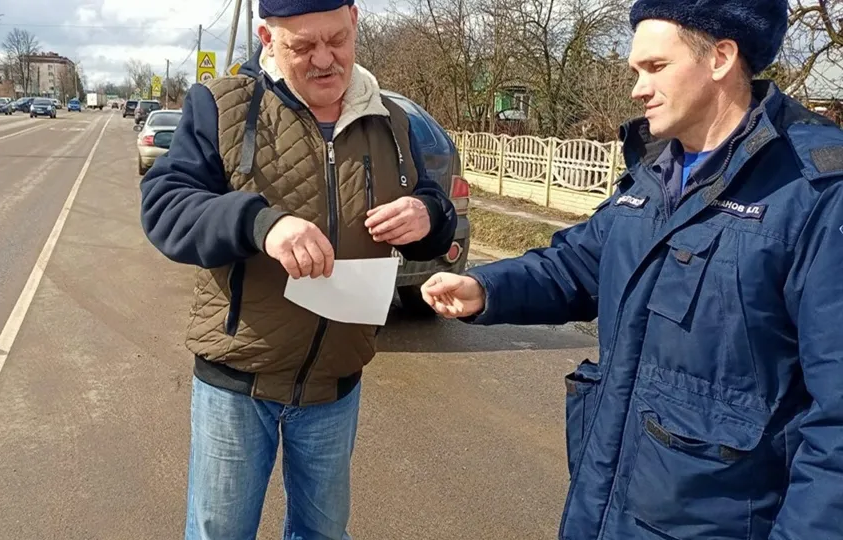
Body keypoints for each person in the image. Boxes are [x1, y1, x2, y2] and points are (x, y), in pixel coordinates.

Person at [422, 0, 843, 538]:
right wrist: (485, 286)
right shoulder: (655, 169)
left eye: (655, 67)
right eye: (634, 71)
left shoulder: (815, 191)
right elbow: (578, 262)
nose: (637, 88)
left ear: (720, 57)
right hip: (606, 506)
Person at [139, 0, 458, 538]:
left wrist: (428, 213)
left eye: (336, 39)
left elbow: (433, 208)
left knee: (324, 533)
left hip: (335, 386)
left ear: (355, 21)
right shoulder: (220, 106)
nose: (324, 60)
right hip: (237, 384)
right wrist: (261, 224)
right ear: (266, 37)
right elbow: (166, 208)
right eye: (302, 46)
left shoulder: (392, 120)